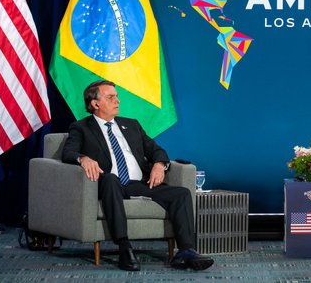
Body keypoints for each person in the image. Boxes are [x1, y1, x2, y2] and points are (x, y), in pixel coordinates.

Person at [62, 80, 214, 272]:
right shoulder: (81, 127)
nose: (118, 100)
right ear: (95, 103)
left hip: (138, 184)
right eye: (111, 97)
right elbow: (68, 152)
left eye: (117, 96)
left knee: (182, 193)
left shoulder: (131, 125)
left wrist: (160, 164)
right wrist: (83, 158)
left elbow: (156, 149)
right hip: (109, 185)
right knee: (110, 178)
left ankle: (186, 251)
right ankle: (124, 247)